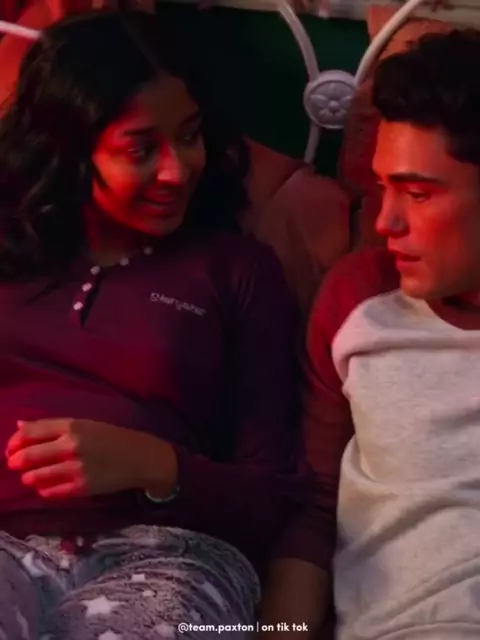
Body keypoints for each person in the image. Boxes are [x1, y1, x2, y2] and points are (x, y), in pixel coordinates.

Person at [0, 10, 311, 639]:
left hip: (172, 557)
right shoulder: (9, 246)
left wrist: (157, 466)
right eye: (140, 149)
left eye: (190, 136)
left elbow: (274, 500)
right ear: (68, 148)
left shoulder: (235, 271)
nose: (177, 170)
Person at [302, 28, 480, 640]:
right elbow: (312, 508)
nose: (385, 221)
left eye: (418, 193)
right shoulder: (360, 303)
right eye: (383, 188)